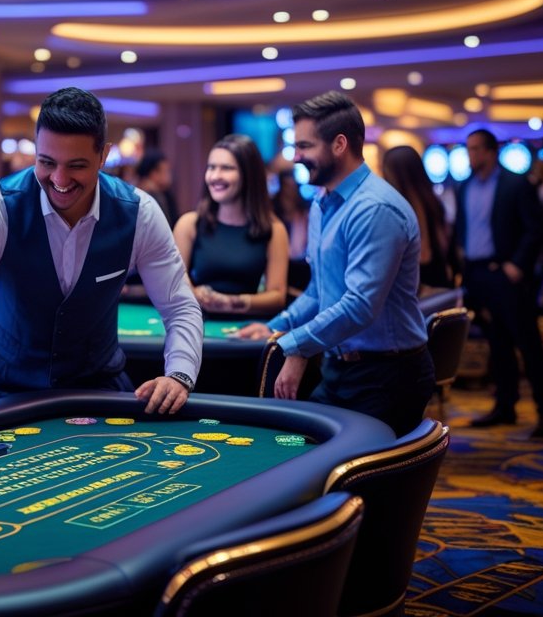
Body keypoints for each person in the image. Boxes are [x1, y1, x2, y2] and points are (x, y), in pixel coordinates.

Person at [0, 87, 203, 448]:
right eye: (46, 162)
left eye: (76, 165)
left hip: (99, 391)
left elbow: (180, 305)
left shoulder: (139, 213)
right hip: (4, 391)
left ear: (103, 155)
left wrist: (179, 375)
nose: (59, 179)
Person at [236, 92, 434, 437]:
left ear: (339, 144)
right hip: (339, 368)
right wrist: (277, 325)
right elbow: (320, 290)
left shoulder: (375, 208)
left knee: (364, 483)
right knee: (303, 452)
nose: (295, 157)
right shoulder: (323, 202)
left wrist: (296, 345)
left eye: (304, 146)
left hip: (387, 374)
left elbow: (359, 306)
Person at [455, 128, 543, 438]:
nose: (470, 156)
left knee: (528, 344)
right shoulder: (464, 187)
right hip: (478, 274)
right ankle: (505, 406)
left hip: (507, 275)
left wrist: (517, 265)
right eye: (468, 149)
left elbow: (535, 229)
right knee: (496, 345)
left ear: (489, 152)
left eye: (475, 150)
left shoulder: (515, 184)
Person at [172, 134, 289, 316]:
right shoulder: (189, 224)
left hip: (246, 331)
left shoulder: (274, 230)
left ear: (249, 175)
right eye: (211, 167)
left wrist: (231, 303)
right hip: (196, 326)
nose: (215, 176)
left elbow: (277, 297)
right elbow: (174, 281)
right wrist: (195, 294)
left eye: (226, 168)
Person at [382, 145, 455, 291]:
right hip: (439, 277)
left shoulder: (395, 208)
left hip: (414, 285)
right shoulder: (432, 201)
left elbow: (422, 255)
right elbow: (444, 245)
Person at [136, 150, 178, 223]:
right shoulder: (148, 198)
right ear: (153, 174)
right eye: (166, 171)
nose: (169, 176)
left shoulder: (166, 194)